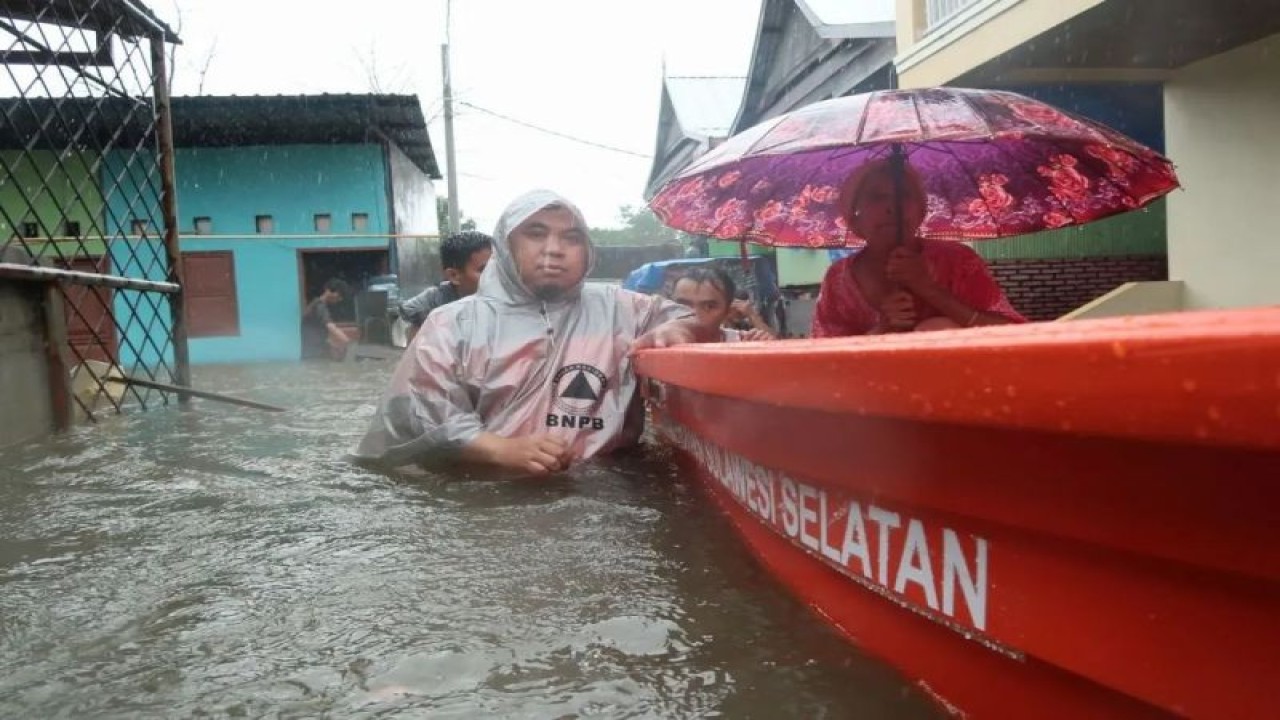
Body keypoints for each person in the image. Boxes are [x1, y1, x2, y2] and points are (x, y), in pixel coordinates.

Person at [353, 189, 716, 476]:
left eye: (571, 237)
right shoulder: (452, 324)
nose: (554, 250)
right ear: (506, 247)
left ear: (586, 251)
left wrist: (680, 326)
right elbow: (420, 413)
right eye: (536, 234)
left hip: (606, 489)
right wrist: (500, 449)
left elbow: (693, 322)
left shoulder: (625, 310)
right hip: (489, 501)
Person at [811, 158, 1026, 337]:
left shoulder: (959, 261)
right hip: (876, 384)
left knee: (936, 328)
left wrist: (930, 290)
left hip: (957, 384)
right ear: (853, 217)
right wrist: (883, 328)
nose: (891, 207)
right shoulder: (838, 279)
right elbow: (827, 361)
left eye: (903, 195)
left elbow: (1013, 335)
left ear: (921, 211)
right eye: (876, 197)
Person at [399, 230, 494, 341]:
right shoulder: (435, 299)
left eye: (496, 267)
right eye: (484, 270)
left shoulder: (505, 296)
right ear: (454, 276)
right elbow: (409, 311)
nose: (495, 275)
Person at [670, 267, 775, 342]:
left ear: (727, 312)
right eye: (683, 305)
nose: (694, 314)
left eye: (709, 307)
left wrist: (765, 345)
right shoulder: (658, 342)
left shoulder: (743, 342)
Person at [301, 278, 352, 360]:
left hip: (312, 354)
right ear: (328, 291)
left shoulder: (315, 305)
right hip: (315, 356)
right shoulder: (319, 306)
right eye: (339, 295)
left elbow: (318, 335)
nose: (339, 299)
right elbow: (330, 326)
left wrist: (333, 346)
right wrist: (346, 340)